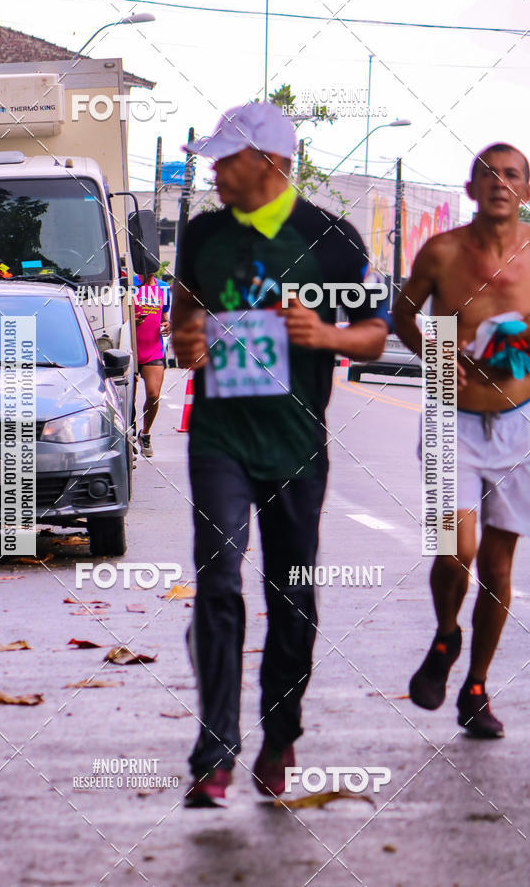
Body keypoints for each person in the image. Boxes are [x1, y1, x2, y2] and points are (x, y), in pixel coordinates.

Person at [171, 102, 389, 807]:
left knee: (290, 595)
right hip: (219, 439)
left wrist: (323, 337)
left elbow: (376, 336)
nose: (214, 171)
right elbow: (182, 320)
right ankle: (214, 750)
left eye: (224, 159)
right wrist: (188, 340)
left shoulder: (330, 239)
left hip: (296, 445)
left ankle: (281, 728)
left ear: (269, 161)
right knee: (219, 583)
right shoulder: (203, 234)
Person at [393, 143, 530, 739]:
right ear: (471, 188)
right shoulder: (442, 251)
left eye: (514, 174)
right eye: (489, 173)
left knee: (499, 567)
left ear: (526, 191)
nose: (501, 182)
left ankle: (475, 688)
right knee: (456, 550)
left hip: (521, 424)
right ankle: (447, 633)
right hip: (452, 419)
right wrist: (436, 353)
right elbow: (402, 315)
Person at [133, 268, 170, 457]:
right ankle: (128, 435)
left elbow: (164, 316)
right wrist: (133, 320)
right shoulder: (128, 285)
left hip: (153, 349)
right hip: (129, 347)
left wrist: (168, 325)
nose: (151, 273)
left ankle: (145, 433)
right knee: (127, 398)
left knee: (153, 394)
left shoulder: (164, 288)